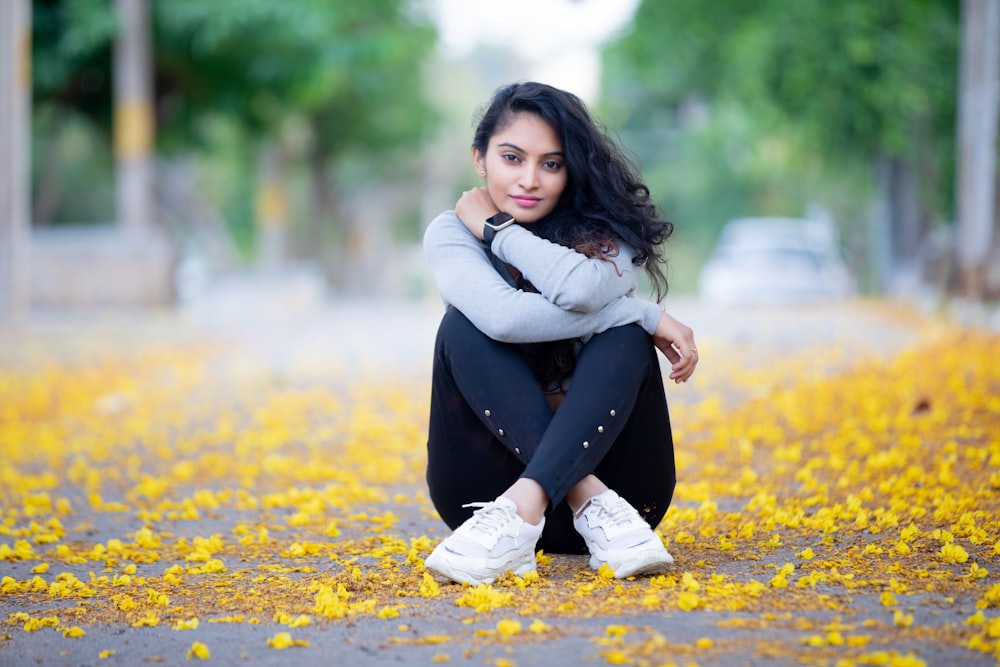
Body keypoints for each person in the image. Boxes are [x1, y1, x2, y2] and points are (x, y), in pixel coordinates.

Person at [422, 82, 698, 586]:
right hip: (483, 507)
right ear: (479, 160)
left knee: (624, 341)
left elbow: (580, 290)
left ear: (573, 169)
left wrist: (499, 230)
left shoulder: (614, 231)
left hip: (624, 508)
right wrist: (641, 313)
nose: (530, 180)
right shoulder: (450, 231)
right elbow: (502, 318)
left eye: (551, 163)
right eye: (512, 158)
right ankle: (571, 495)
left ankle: (567, 502)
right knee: (465, 324)